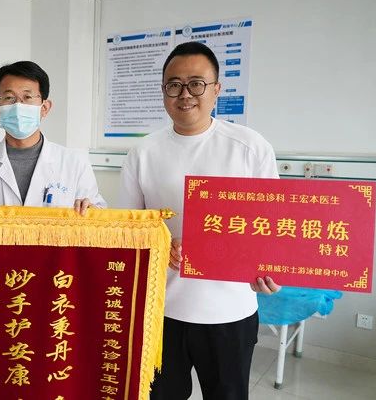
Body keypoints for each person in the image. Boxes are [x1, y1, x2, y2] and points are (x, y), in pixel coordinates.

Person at [119, 42, 280, 400]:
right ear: (163, 90)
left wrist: (273, 270)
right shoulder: (142, 152)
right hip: (160, 311)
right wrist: (162, 244)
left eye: (196, 83)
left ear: (216, 89)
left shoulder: (250, 147)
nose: (185, 94)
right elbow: (130, 231)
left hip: (230, 312)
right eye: (174, 85)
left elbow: (271, 228)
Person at [0, 60, 106, 214]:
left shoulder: (75, 165)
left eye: (27, 97)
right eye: (9, 98)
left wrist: (93, 211)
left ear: (44, 108)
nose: (18, 105)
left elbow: (100, 218)